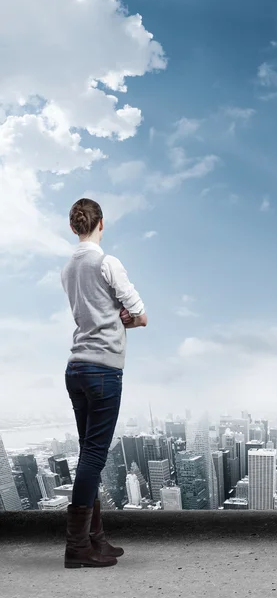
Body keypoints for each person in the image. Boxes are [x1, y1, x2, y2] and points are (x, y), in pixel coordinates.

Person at [61, 198, 147, 569]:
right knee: (94, 457)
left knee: (87, 456)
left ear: (73, 227)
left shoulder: (68, 269)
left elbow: (91, 312)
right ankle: (77, 548)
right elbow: (140, 314)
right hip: (103, 369)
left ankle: (95, 540)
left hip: (75, 367)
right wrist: (126, 317)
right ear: (102, 224)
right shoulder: (107, 262)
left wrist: (112, 314)